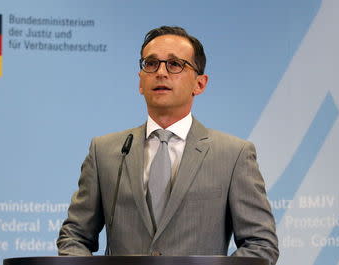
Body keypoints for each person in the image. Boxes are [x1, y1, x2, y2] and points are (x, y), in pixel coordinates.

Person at [57, 26, 279, 264]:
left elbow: (261, 245)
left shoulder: (233, 155)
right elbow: (75, 236)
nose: (161, 72)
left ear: (200, 84)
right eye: (151, 64)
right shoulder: (104, 151)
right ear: (140, 82)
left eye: (175, 65)